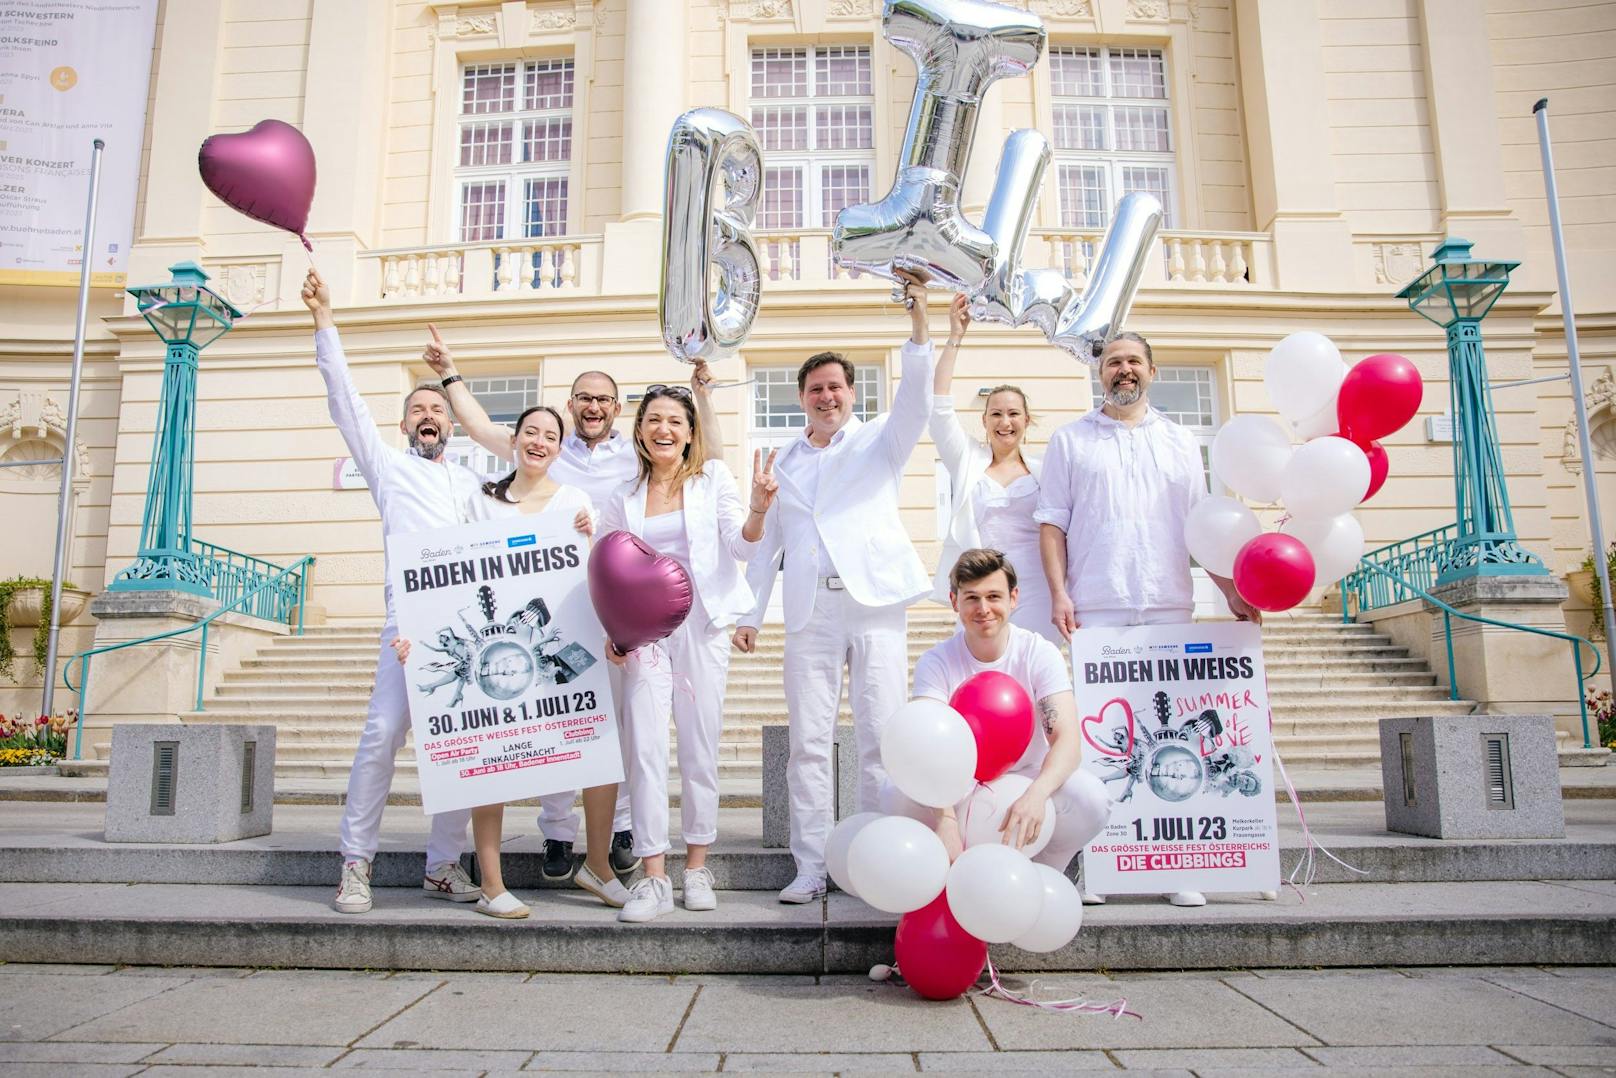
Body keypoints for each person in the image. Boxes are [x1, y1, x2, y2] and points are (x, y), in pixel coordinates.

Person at [423, 334, 714, 883]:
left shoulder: (639, 451)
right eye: (584, 397)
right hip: (549, 607)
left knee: (618, 726)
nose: (594, 406)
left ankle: (622, 830)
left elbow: (698, 458)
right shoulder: (551, 447)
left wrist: (703, 397)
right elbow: (488, 431)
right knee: (565, 719)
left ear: (619, 408)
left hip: (621, 614)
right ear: (570, 405)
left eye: (604, 399)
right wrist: (452, 375)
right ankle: (557, 832)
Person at [1034, 329, 1263, 908]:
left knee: (1169, 737)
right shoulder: (1070, 441)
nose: (1124, 370)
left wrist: (1231, 591)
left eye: (1134, 361)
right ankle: (1102, 868)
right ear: (1100, 372)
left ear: (1151, 372)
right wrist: (1060, 594)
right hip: (1098, 608)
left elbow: (1200, 528)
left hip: (1167, 605)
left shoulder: (1183, 442)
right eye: (1113, 362)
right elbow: (1051, 524)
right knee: (1103, 742)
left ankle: (1175, 868)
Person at [734, 272, 935, 903]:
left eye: (837, 387)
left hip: (873, 603)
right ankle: (812, 866)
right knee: (808, 744)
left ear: (851, 394)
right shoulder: (781, 463)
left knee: (881, 735)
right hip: (809, 611)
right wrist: (749, 612)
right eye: (816, 388)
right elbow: (768, 546)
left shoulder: (881, 440)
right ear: (802, 397)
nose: (827, 396)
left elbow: (917, 402)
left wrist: (920, 322)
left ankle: (880, 859)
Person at [301, 268, 481, 916]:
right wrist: (326, 321)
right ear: (404, 425)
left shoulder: (469, 484)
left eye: (437, 410)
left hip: (462, 635)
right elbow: (344, 400)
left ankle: (442, 866)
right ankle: (355, 863)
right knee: (380, 736)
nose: (428, 417)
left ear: (451, 426)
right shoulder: (388, 469)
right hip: (405, 632)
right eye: (418, 410)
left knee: (463, 744)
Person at [389, 403, 600, 917]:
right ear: (515, 439)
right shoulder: (480, 500)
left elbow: (587, 569)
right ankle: (491, 884)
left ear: (558, 446)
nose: (540, 442)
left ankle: (588, 857)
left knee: (582, 748)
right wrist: (414, 632)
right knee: (490, 761)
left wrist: (588, 533)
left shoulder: (576, 500)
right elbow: (446, 571)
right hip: (491, 649)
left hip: (547, 649)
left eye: (551, 435)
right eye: (531, 431)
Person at [599, 384, 775, 922]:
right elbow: (606, 567)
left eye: (675, 421)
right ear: (640, 429)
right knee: (645, 748)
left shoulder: (713, 479)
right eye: (654, 420)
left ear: (690, 432)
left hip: (701, 627)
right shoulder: (621, 495)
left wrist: (758, 510)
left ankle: (697, 865)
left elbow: (742, 546)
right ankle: (653, 876)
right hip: (646, 635)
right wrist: (614, 630)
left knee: (700, 745)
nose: (664, 430)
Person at [881, 548, 1108, 868]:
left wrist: (1037, 795)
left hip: (1027, 779)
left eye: (994, 596)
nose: (984, 608)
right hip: (958, 787)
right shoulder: (937, 661)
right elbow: (923, 746)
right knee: (894, 793)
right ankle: (941, 870)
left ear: (1013, 598)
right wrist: (944, 819)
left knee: (1091, 798)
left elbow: (1067, 740)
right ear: (954, 601)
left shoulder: (1039, 653)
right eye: (971, 597)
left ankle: (1049, 868)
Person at [929, 295, 1056, 643]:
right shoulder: (967, 458)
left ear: (1027, 420)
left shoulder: (1047, 472)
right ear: (984, 421)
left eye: (1013, 414)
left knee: (1033, 679)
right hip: (982, 590)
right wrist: (955, 336)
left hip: (1036, 590)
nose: (1005, 422)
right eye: (996, 414)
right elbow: (938, 406)